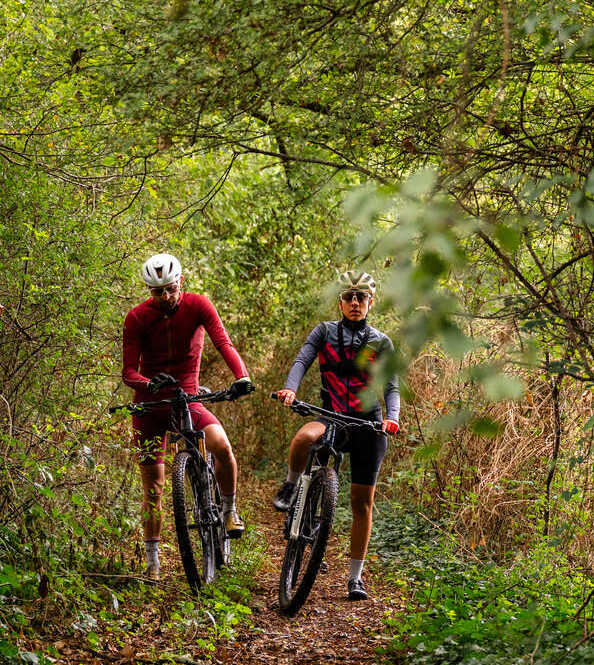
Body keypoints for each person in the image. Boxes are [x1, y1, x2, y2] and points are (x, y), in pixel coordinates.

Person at [122, 252, 253, 580]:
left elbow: (223, 342)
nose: (165, 297)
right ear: (148, 291)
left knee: (221, 446)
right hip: (150, 407)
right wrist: (147, 383)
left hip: (188, 399)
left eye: (170, 289)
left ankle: (228, 510)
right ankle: (152, 563)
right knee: (153, 487)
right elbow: (127, 372)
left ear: (180, 282)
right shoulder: (137, 318)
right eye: (157, 292)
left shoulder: (198, 305)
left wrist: (241, 376)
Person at [273, 270, 400, 601]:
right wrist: (290, 388)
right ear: (340, 302)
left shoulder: (381, 342)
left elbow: (391, 386)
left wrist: (392, 417)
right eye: (348, 297)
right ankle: (290, 487)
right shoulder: (324, 332)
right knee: (302, 439)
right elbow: (302, 361)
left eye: (361, 298)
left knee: (362, 502)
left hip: (368, 424)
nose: (355, 303)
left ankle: (355, 578)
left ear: (371, 302)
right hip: (331, 416)